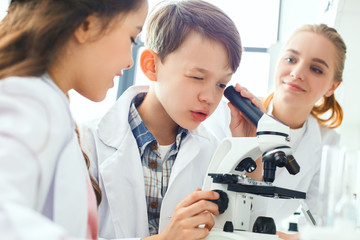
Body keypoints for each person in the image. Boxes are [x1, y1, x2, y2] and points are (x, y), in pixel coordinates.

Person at [79, 0, 260, 239]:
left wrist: (250, 151)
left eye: (221, 84)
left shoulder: (214, 151)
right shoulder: (86, 145)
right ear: (152, 66)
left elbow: (246, 228)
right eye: (197, 77)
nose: (209, 97)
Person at [0, 0, 148, 239]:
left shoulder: (48, 105)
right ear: (87, 26)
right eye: (132, 38)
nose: (130, 62)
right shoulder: (28, 100)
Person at [205, 23, 346, 239]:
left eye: (316, 69)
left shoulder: (328, 142)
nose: (297, 73)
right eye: (290, 59)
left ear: (332, 87)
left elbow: (322, 228)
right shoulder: (229, 114)